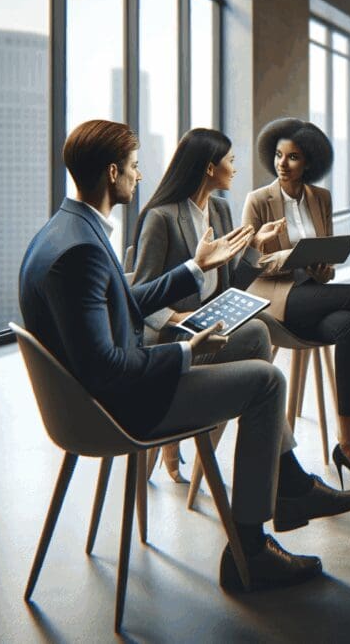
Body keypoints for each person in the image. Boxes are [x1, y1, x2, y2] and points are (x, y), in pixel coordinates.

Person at [20, 120, 350, 593]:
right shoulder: (82, 251)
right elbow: (108, 368)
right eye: (133, 166)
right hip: (120, 406)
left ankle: (289, 487)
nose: (140, 175)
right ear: (112, 173)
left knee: (254, 337)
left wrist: (196, 266)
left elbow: (125, 302)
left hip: (101, 393)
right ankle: (253, 546)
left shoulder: (68, 229)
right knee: (267, 382)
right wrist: (186, 350)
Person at [243, 118, 350, 492]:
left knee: (349, 325)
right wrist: (290, 258)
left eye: (293, 157)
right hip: (274, 300)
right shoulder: (258, 200)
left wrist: (322, 268)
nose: (283, 164)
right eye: (278, 155)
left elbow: (325, 263)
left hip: (312, 295)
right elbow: (249, 263)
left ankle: (348, 444)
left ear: (309, 162)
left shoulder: (320, 198)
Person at [131, 128, 281, 484]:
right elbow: (139, 296)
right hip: (173, 340)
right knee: (259, 338)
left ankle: (232, 455)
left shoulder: (220, 209)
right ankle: (270, 466)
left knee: (261, 329)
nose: (235, 168)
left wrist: (254, 247)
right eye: (230, 161)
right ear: (210, 168)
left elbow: (231, 287)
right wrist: (179, 317)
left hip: (211, 327)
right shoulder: (161, 218)